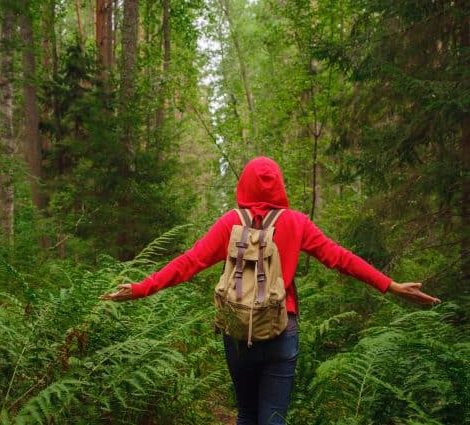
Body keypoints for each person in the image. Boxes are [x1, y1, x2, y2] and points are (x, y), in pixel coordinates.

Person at [101, 156, 440, 425]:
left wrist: (142, 288)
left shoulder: (230, 223)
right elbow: (340, 258)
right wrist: (390, 285)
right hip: (282, 327)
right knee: (273, 418)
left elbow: (190, 262)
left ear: (244, 185)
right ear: (279, 186)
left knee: (247, 414)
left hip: (237, 328)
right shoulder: (296, 222)